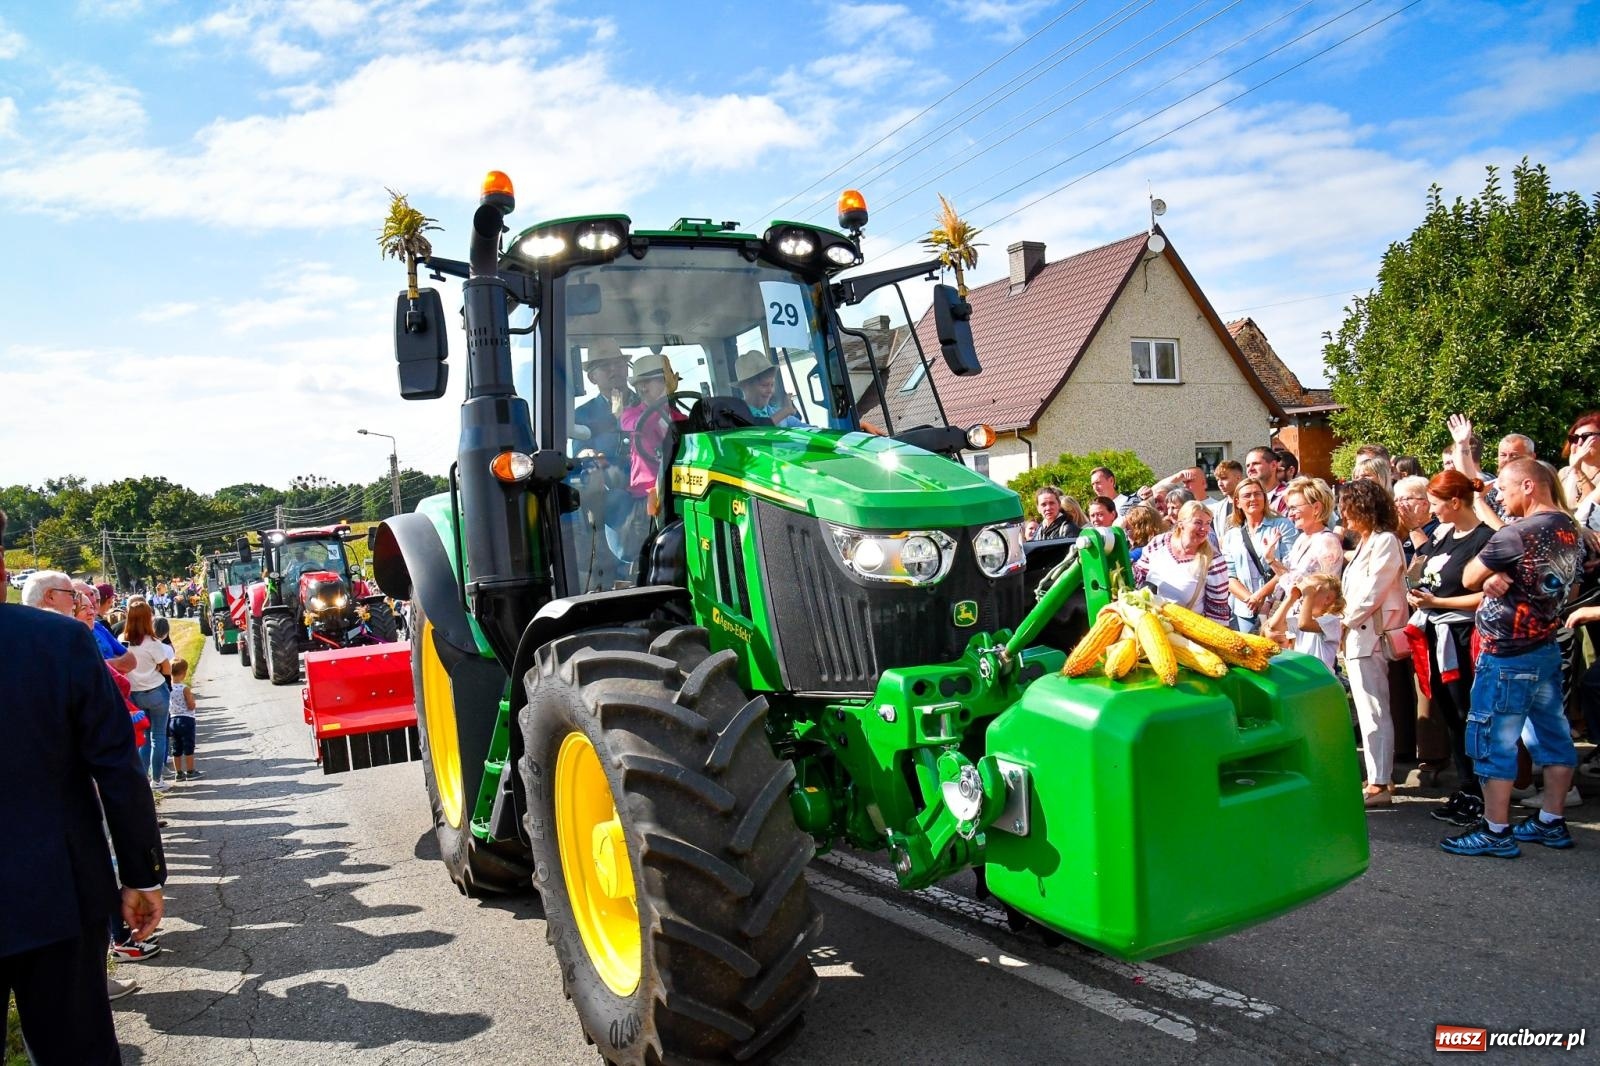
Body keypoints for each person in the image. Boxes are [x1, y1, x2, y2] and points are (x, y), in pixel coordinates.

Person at [0, 509, 166, 1062]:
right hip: (56, 893)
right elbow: (117, 769)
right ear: (2, 566)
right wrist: (141, 875)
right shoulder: (58, 643)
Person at [1442, 458, 1584, 857]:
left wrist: (1488, 575)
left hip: (1507, 653)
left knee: (1493, 741)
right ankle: (1551, 822)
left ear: (1528, 486)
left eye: (1503, 490)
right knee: (1553, 737)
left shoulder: (1518, 534)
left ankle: (1495, 830)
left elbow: (1468, 577)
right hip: (1545, 648)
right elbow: (1568, 591)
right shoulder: (1570, 529)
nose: (1500, 500)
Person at [1408, 469, 1494, 827]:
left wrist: (1439, 605)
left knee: (1468, 714)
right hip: (1434, 634)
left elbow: (1487, 595)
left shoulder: (1484, 539)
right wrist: (1418, 594)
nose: (1432, 512)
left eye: (1435, 504)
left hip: (1463, 638)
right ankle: (1467, 785)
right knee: (1452, 716)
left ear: (1455, 502)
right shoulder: (1443, 536)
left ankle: (1482, 791)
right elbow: (1420, 570)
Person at [1338, 478, 1409, 808]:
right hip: (1361, 635)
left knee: (1373, 710)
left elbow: (1372, 592)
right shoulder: (1371, 541)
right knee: (1370, 708)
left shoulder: (1384, 541)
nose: (1344, 513)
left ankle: (1380, 783)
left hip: (1370, 636)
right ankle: (1380, 776)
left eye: (1349, 506)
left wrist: (1343, 619)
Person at [1133, 501, 1230, 622]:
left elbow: (1218, 611)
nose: (1204, 528)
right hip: (1149, 621)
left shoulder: (1214, 560)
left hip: (1185, 632)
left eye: (1207, 523)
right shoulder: (1159, 542)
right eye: (1198, 522)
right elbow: (1139, 576)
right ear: (1181, 524)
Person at [1222, 478, 1295, 634]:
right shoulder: (1232, 536)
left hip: (1278, 606)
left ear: (1265, 498)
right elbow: (1229, 575)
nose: (1253, 499)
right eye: (1247, 495)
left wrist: (1260, 595)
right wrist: (1250, 599)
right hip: (1245, 609)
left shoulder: (1282, 525)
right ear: (1237, 502)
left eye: (1257, 494)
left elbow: (1289, 568)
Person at [122, 598, 175, 790]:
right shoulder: (151, 642)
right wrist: (157, 667)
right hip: (155, 689)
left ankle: (143, 778)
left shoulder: (123, 640)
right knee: (158, 736)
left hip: (134, 692)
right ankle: (157, 779)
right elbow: (167, 669)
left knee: (143, 737)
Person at [1264, 571, 1343, 674]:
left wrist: (1308, 595)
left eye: (1309, 593)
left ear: (1327, 599)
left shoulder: (1331, 621)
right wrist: (1291, 598)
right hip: (1304, 676)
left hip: (1322, 680)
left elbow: (1304, 625)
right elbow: (1274, 626)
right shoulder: (1301, 618)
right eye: (1303, 594)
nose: (1303, 597)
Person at [734, 350, 806, 427]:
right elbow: (756, 432)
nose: (770, 390)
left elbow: (808, 431)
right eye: (764, 385)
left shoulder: (776, 412)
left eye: (772, 385)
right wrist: (785, 411)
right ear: (746, 387)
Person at [168, 658, 202, 782]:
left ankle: (178, 773)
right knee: (189, 746)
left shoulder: (168, 687)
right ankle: (190, 771)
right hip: (186, 720)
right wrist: (193, 702)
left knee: (176, 748)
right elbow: (190, 705)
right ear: (184, 673)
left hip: (172, 720)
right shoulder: (184, 688)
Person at [1245, 447, 1288, 515]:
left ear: (1273, 465)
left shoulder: (1288, 495)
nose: (1250, 469)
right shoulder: (1245, 498)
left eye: (1256, 464)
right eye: (1247, 466)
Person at [1208, 459, 1245, 528]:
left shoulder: (1251, 503)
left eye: (1224, 478)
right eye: (1217, 480)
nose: (1219, 484)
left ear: (1238, 478)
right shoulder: (1218, 509)